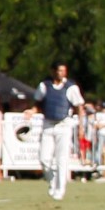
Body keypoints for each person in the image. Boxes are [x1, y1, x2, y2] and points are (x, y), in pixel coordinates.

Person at [35, 63, 84, 200]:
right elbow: (37, 103)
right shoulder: (44, 86)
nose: (61, 73)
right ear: (53, 71)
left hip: (64, 125)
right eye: (59, 70)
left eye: (63, 71)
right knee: (44, 158)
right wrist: (31, 111)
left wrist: (81, 126)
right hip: (48, 125)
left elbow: (79, 106)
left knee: (62, 159)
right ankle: (52, 180)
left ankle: (60, 189)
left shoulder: (71, 87)